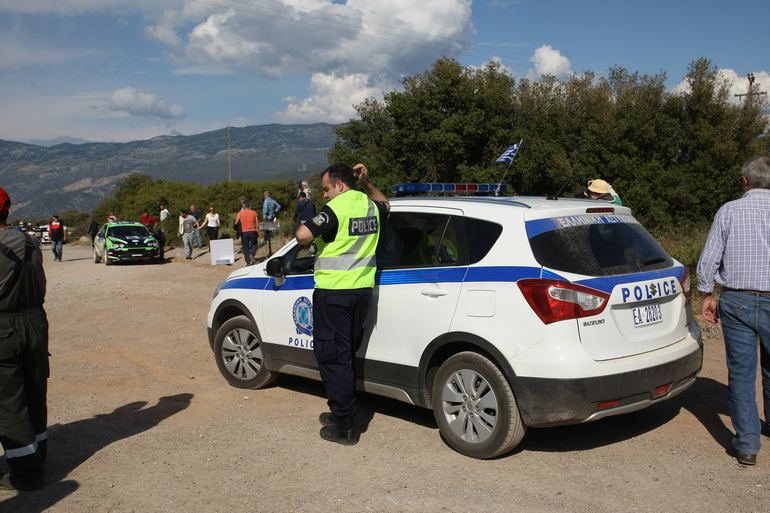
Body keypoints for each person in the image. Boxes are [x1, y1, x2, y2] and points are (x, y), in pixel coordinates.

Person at [295, 162, 389, 445]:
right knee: (345, 356)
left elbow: (302, 236)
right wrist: (367, 182)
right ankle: (339, 412)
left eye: (326, 189)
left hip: (334, 293)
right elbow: (384, 202)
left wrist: (307, 215)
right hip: (361, 291)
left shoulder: (336, 208)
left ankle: (345, 424)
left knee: (333, 358)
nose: (325, 195)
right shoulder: (369, 205)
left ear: (339, 185)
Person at [696, 156, 770, 466]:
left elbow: (709, 259)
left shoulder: (729, 211)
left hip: (736, 300)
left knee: (741, 374)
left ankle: (747, 445)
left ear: (745, 181)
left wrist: (707, 293)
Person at [0, 187, 49, 491]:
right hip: (35, 321)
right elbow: (41, 285)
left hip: (3, 324)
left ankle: (26, 471)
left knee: (8, 401)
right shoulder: (30, 242)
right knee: (34, 390)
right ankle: (38, 452)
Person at [235, 201, 259, 265]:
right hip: (253, 231)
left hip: (244, 232)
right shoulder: (254, 212)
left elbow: (236, 222)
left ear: (244, 207)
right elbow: (257, 222)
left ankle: (248, 262)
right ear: (249, 206)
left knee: (245, 247)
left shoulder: (240, 213)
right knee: (255, 243)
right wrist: (258, 230)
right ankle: (252, 252)